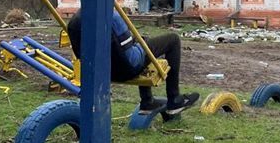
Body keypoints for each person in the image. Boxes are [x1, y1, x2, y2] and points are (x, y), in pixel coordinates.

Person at [67, 9, 199, 115]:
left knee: (143, 41)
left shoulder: (74, 21)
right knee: (173, 39)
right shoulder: (110, 16)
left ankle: (147, 101)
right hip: (127, 69)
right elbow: (130, 54)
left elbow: (80, 55)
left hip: (102, 73)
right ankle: (174, 99)